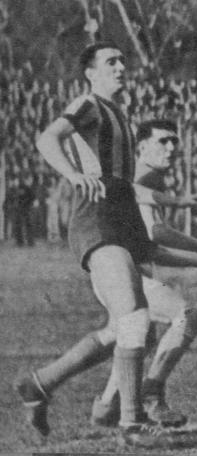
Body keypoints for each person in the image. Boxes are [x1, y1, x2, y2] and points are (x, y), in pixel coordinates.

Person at [15, 42, 171, 447]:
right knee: (136, 318)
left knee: (133, 328)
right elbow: (48, 138)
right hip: (98, 215)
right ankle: (132, 427)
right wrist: (71, 174)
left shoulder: (120, 112)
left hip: (124, 215)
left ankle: (41, 383)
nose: (121, 66)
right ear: (90, 72)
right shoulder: (89, 103)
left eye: (123, 60)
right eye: (111, 61)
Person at [90, 119, 197, 429]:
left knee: (139, 335)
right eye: (163, 141)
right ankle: (150, 392)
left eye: (174, 142)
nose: (171, 149)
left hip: (117, 270)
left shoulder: (145, 177)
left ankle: (107, 404)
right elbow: (157, 232)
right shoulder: (143, 176)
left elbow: (152, 245)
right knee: (188, 316)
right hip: (121, 272)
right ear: (140, 147)